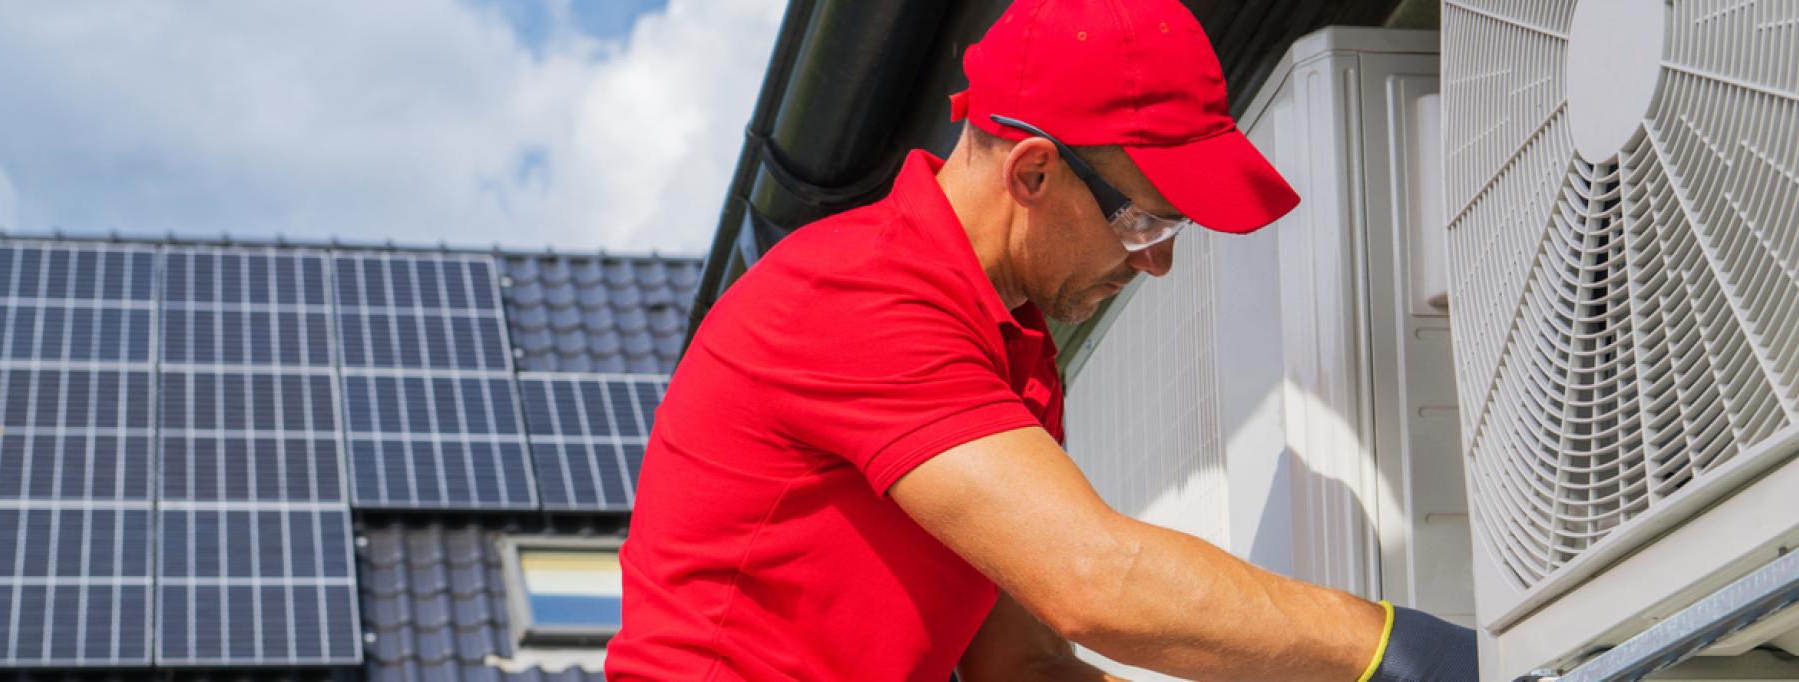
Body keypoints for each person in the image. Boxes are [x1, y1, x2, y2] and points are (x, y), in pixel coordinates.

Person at [607, 0, 1478, 679]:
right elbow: (1096, 584)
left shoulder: (1006, 340)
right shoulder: (862, 293)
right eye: (1142, 222)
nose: (1160, 263)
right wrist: (1397, 650)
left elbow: (1023, 667)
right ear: (1032, 170)